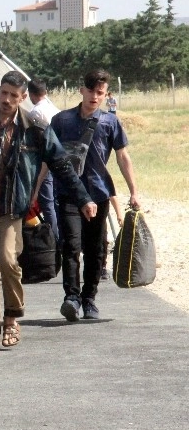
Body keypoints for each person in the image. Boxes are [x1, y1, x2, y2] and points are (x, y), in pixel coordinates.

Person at [0, 71, 96, 351]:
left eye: (14, 95)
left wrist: (83, 198)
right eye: (4, 93)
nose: (7, 100)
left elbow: (61, 164)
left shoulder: (34, 127)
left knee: (8, 260)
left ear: (23, 97)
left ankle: (12, 318)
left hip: (11, 208)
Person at [51, 69, 139, 322]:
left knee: (95, 249)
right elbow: (49, 159)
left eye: (100, 92)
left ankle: (89, 298)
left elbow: (123, 157)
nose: (94, 96)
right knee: (70, 245)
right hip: (68, 193)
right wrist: (35, 190)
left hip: (99, 192)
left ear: (105, 94)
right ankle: (71, 297)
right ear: (81, 90)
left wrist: (133, 191)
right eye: (91, 91)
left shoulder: (110, 122)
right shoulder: (62, 120)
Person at [27, 78, 61, 240]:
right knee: (55, 201)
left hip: (45, 161)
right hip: (59, 158)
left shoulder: (35, 113)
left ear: (30, 94)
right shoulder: (53, 108)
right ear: (45, 92)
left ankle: (53, 238)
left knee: (47, 203)